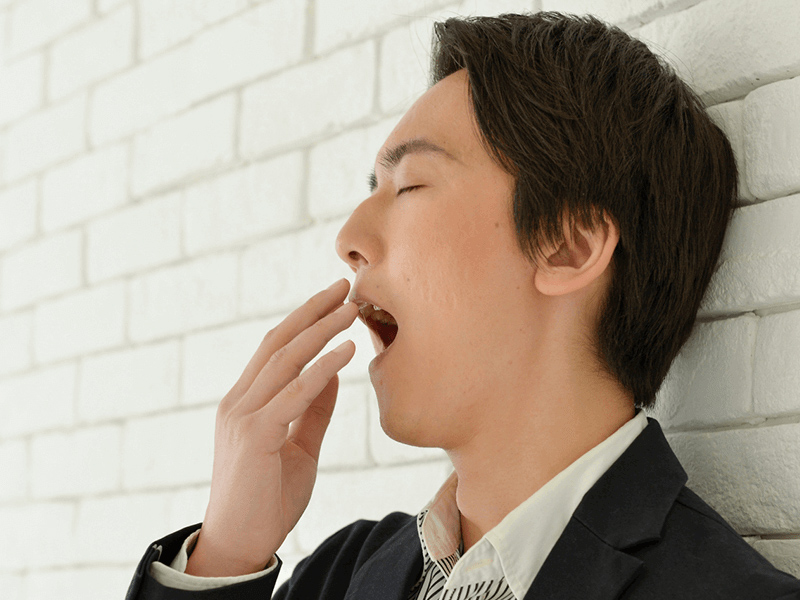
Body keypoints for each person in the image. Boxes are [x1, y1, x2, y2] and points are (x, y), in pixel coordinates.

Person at [125, 12, 800, 600]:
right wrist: (224, 559)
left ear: (568, 247)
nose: (349, 239)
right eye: (370, 188)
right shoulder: (338, 575)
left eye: (410, 185)